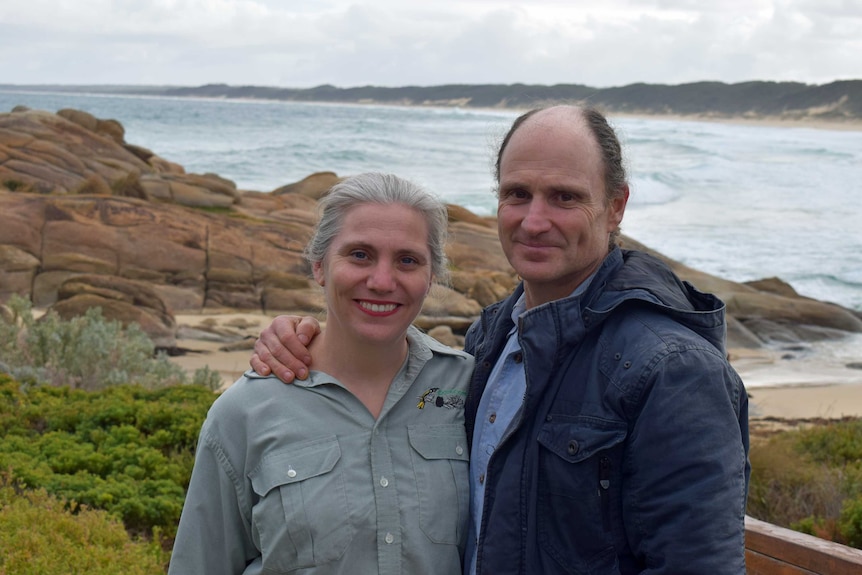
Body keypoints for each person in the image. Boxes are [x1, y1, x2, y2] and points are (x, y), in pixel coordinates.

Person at [252, 106, 751, 574]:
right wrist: (307, 340)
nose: (534, 221)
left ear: (616, 206)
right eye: (517, 194)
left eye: (565, 197)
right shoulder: (491, 337)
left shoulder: (673, 369)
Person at [169, 173, 474, 575]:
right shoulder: (243, 413)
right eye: (359, 255)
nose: (382, 281)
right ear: (319, 266)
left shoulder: (470, 390)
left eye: (407, 260)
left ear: (431, 275)